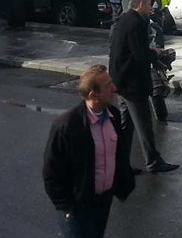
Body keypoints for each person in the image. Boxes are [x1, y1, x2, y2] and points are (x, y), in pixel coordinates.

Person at [42, 65, 137, 238]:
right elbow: (51, 172)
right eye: (108, 86)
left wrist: (124, 181)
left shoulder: (113, 116)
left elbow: (118, 155)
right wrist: (67, 206)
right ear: (94, 95)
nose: (114, 88)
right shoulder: (67, 126)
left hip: (103, 201)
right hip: (78, 207)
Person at [109, 0, 179, 173]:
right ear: (140, 5)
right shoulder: (137, 24)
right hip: (132, 83)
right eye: (149, 5)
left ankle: (120, 164)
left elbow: (131, 48)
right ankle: (153, 161)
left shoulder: (123, 20)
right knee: (143, 123)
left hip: (119, 79)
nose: (151, 8)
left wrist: (148, 49)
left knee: (125, 126)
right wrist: (155, 53)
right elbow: (140, 56)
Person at [147, 0, 175, 122]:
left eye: (154, 2)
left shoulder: (156, 19)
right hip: (147, 58)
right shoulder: (154, 20)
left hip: (149, 57)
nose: (153, 5)